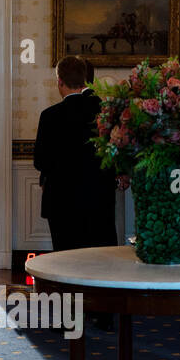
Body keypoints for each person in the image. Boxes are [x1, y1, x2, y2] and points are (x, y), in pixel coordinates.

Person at [33, 55, 116, 252]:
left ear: (59, 81)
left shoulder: (49, 116)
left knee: (65, 256)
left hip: (62, 201)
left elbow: (40, 161)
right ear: (85, 80)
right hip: (99, 197)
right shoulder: (105, 112)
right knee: (100, 256)